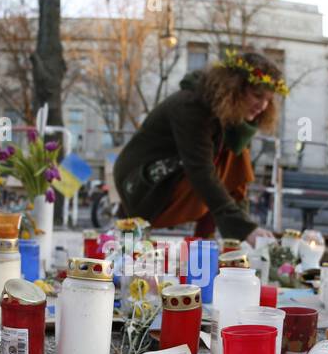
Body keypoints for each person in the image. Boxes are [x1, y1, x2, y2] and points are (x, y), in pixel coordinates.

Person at [113, 50, 286, 246]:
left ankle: (204, 244)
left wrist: (244, 229)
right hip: (141, 181)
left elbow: (236, 182)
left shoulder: (234, 118)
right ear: (234, 88)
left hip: (179, 171)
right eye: (257, 95)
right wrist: (244, 228)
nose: (263, 106)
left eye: (269, 100)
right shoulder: (191, 106)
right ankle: (202, 241)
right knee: (212, 167)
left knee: (236, 152)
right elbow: (200, 171)